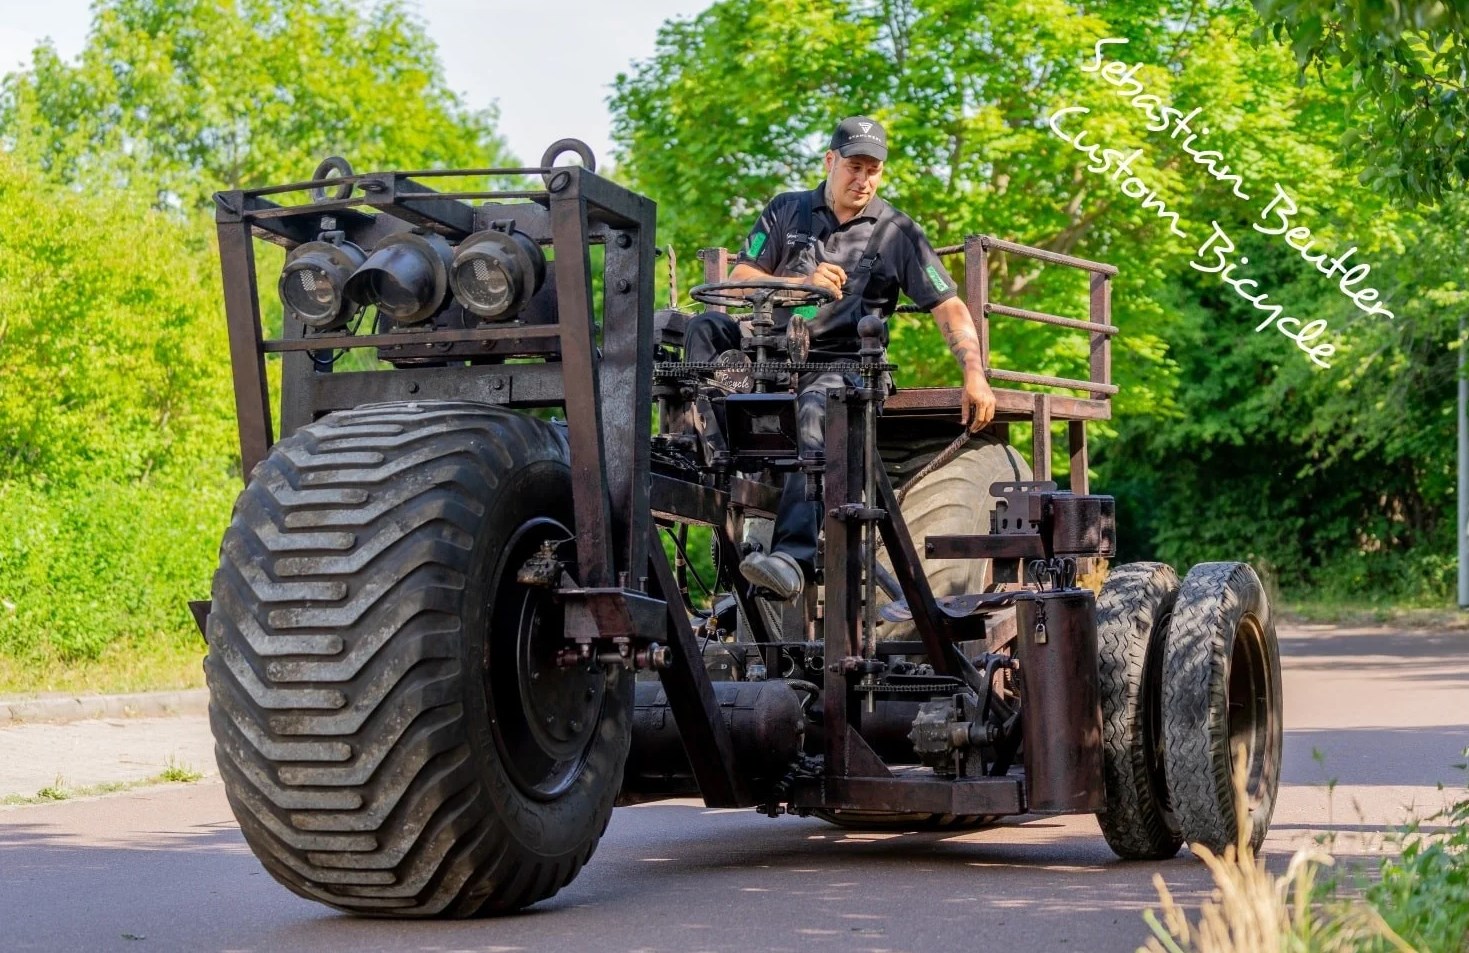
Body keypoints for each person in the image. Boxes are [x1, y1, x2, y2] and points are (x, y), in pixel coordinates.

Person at [685, 115, 997, 601]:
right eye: (855, 166)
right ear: (830, 161)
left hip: (843, 368)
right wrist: (797, 285)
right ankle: (712, 463)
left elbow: (948, 305)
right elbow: (742, 275)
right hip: (767, 358)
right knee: (705, 328)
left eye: (874, 170)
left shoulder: (898, 232)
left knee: (816, 406)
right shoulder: (786, 210)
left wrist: (974, 374)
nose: (864, 179)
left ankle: (792, 558)